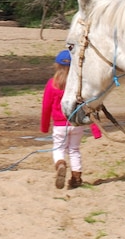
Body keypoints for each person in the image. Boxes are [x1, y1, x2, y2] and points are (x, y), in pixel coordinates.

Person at [40, 50, 101, 189]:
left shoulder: (52, 84)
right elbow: (88, 106)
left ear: (56, 65)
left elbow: (46, 106)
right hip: (76, 124)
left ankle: (61, 164)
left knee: (59, 149)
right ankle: (76, 178)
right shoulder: (78, 85)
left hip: (60, 126)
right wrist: (96, 130)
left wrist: (44, 127)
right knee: (74, 150)